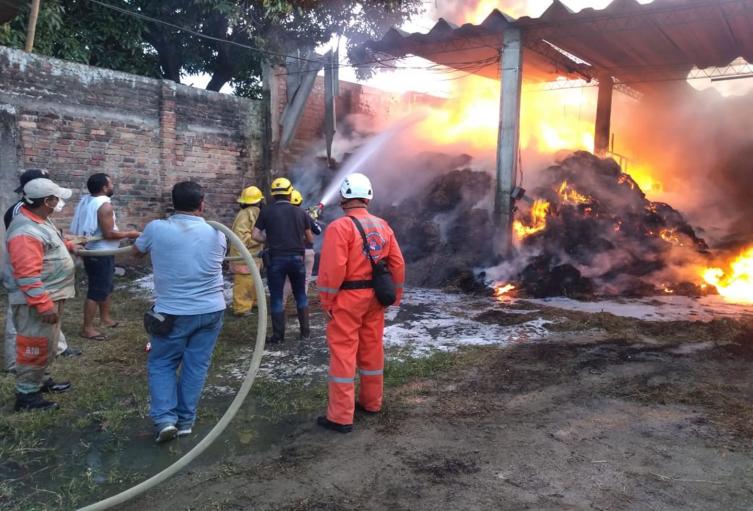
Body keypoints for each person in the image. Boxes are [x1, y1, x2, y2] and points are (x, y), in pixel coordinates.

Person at [133, 181, 227, 443]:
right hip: (211, 311)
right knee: (196, 366)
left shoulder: (156, 228)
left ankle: (165, 420)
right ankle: (185, 421)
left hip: (172, 314)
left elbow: (136, 252)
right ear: (202, 204)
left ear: (172, 204)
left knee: (162, 363)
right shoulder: (216, 233)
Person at [316, 173, 405, 433]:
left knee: (344, 353)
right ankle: (371, 402)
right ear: (368, 197)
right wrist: (394, 297)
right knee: (371, 349)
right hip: (375, 298)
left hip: (347, 298)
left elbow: (333, 269)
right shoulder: (383, 226)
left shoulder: (340, 227)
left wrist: (327, 301)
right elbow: (398, 263)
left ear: (344, 197)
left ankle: (341, 417)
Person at [4, 178, 81, 411]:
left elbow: (48, 245)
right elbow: (27, 274)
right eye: (57, 199)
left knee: (46, 344)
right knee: (34, 346)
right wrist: (43, 305)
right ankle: (27, 397)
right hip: (38, 301)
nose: (59, 203)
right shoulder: (26, 231)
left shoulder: (39, 220)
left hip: (52, 295)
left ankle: (40, 381)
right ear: (47, 201)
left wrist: (65, 247)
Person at [71, 173, 140, 341]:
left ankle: (105, 318)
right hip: (99, 253)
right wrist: (132, 233)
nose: (112, 186)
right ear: (104, 187)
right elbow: (109, 234)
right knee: (97, 290)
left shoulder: (87, 199)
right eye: (110, 184)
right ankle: (87, 329)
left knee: (107, 285)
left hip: (100, 251)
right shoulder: (105, 206)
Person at [252, 178, 313, 344]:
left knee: (277, 297)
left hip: (276, 259)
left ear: (273, 194)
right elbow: (310, 237)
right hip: (297, 259)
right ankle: (305, 333)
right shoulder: (301, 212)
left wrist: (268, 238)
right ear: (289, 192)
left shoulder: (266, 212)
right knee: (300, 294)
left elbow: (255, 235)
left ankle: (278, 336)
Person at [282, 189, 322, 306]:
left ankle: (282, 302)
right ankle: (301, 304)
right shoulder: (304, 215)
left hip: (291, 252)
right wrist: (312, 219)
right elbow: (318, 231)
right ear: (300, 202)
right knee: (305, 279)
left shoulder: (282, 217)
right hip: (307, 252)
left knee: (288, 279)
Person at [230, 186, 264, 316]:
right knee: (244, 282)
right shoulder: (249, 213)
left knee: (253, 280)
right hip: (244, 256)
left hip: (249, 255)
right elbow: (242, 238)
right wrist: (261, 240)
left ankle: (253, 302)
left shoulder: (248, 213)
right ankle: (241, 309)